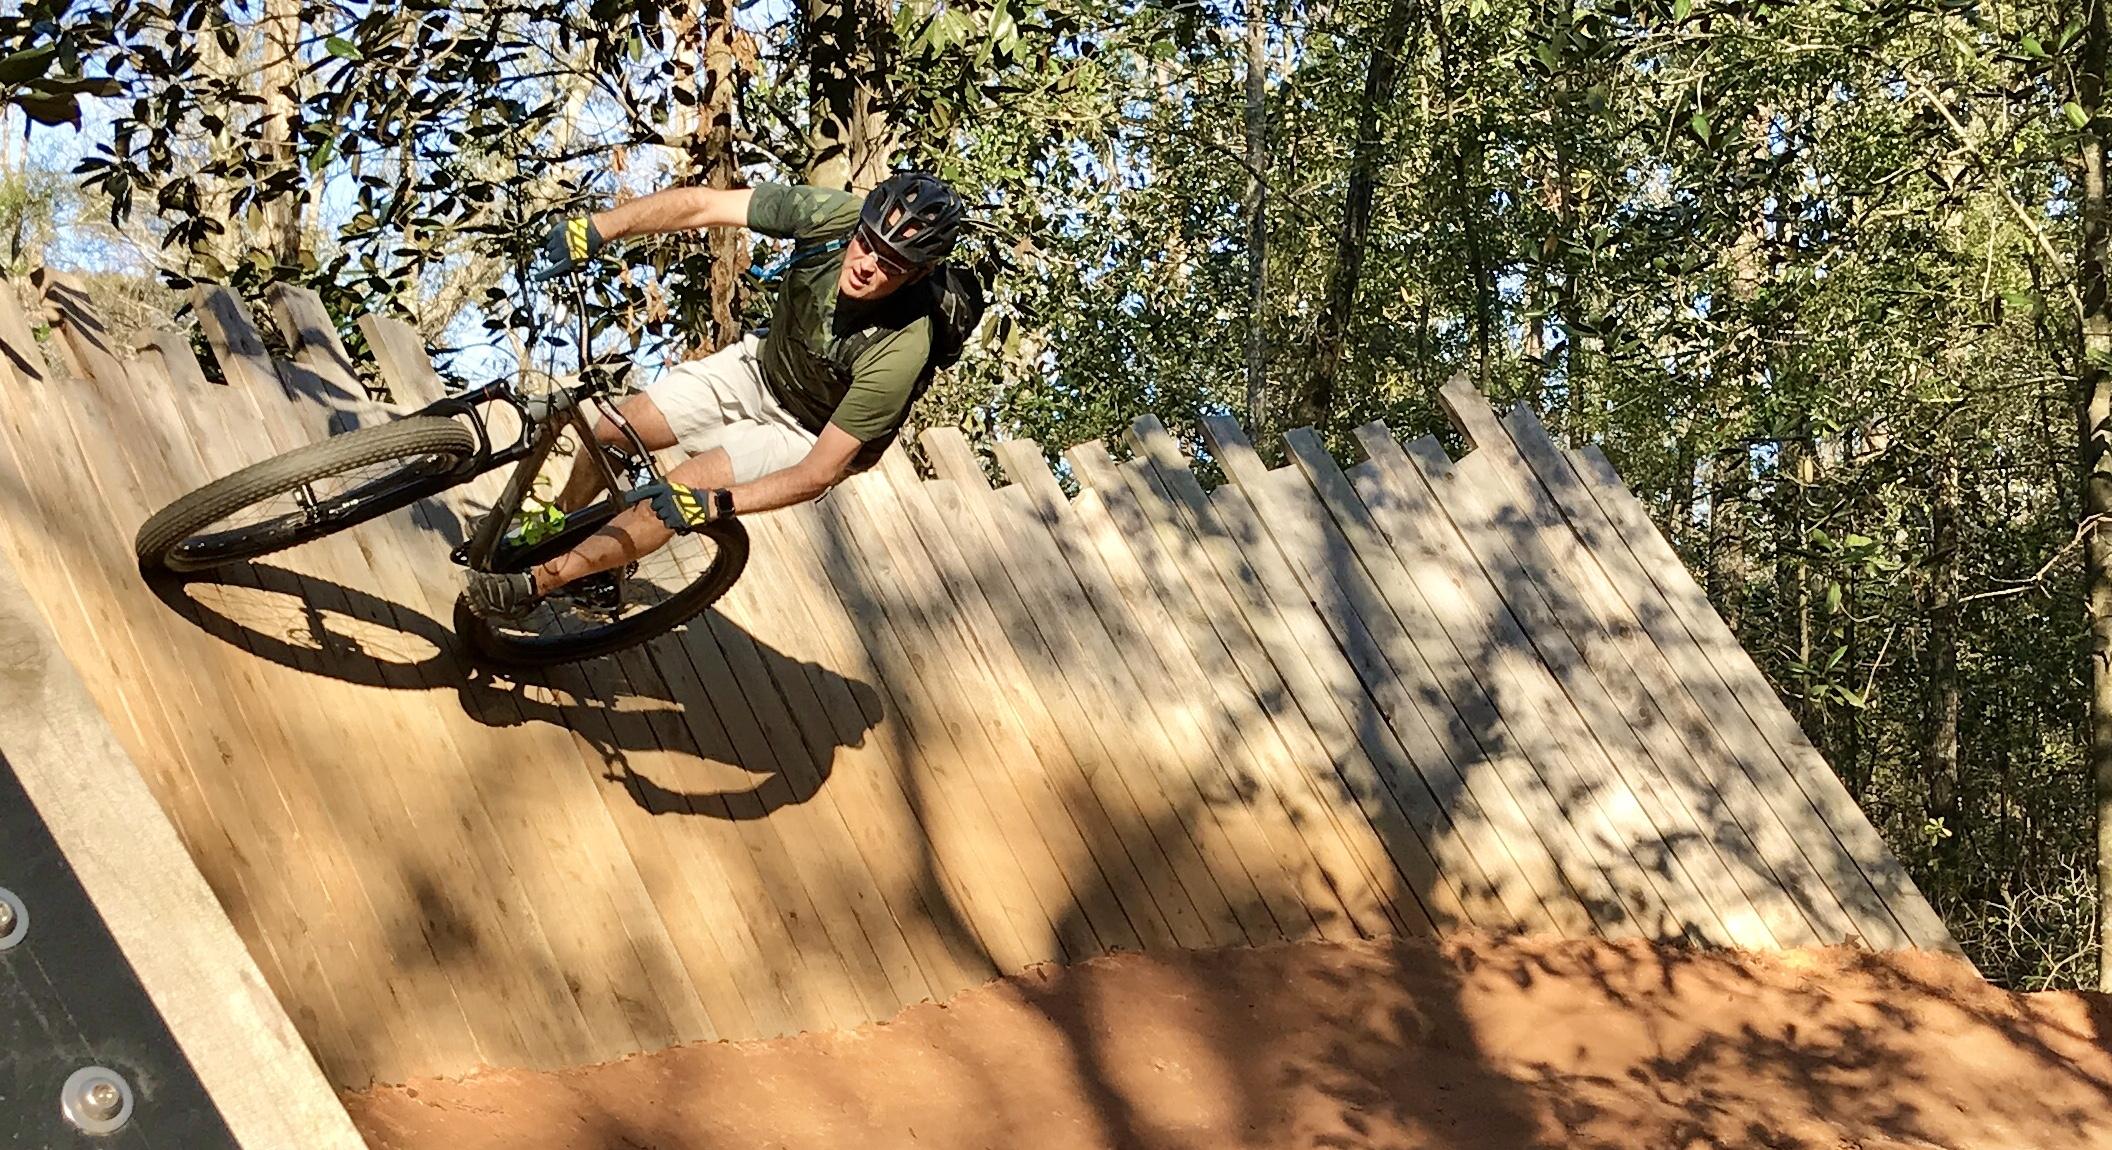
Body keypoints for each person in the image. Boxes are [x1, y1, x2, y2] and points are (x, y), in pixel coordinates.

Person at [462, 171, 967, 618]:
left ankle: (541, 581)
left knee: (679, 493)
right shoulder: (831, 217)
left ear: (919, 274)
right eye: (867, 244)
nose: (866, 265)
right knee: (616, 429)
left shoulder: (902, 350)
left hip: (806, 433)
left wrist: (716, 503)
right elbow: (705, 204)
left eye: (892, 264)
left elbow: (819, 473)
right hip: (761, 367)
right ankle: (556, 523)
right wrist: (597, 228)